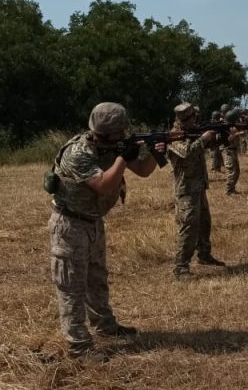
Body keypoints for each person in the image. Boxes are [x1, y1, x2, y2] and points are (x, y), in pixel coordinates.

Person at [48, 102, 167, 358]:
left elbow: (143, 171)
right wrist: (124, 157)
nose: (124, 135)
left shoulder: (112, 147)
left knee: (97, 278)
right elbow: (103, 184)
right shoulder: (77, 152)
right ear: (106, 133)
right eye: (120, 132)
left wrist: (156, 154)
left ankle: (105, 325)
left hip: (92, 222)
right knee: (72, 286)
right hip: (69, 225)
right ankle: (79, 346)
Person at [166, 102, 226, 280]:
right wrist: (204, 138)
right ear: (185, 119)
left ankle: (204, 255)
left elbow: (206, 146)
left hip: (198, 186)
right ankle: (181, 267)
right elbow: (188, 153)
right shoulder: (173, 136)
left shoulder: (192, 132)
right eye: (193, 117)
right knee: (189, 227)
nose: (196, 120)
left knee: (204, 222)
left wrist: (222, 136)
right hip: (186, 189)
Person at [221, 109, 244, 195]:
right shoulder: (223, 127)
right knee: (231, 171)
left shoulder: (231, 126)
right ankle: (229, 190)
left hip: (233, 150)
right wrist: (237, 134)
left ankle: (232, 188)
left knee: (237, 171)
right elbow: (228, 139)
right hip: (228, 151)